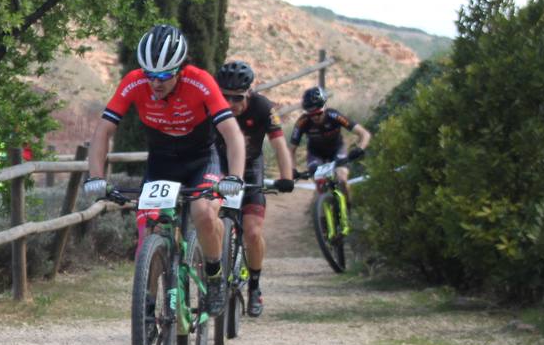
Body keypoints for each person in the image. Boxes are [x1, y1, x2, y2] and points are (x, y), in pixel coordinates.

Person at [82, 24, 245, 314]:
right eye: (150, 75)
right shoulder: (133, 82)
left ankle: (215, 275)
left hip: (201, 158)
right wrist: (95, 177)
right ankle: (147, 305)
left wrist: (234, 177)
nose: (155, 83)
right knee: (149, 227)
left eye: (164, 76)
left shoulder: (201, 82)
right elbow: (103, 132)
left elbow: (232, 134)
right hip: (162, 161)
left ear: (180, 69)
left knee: (203, 213)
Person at [213, 61, 296, 317]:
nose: (229, 104)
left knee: (252, 231)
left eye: (236, 98)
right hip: (219, 168)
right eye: (224, 96)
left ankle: (255, 287)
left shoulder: (262, 107)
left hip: (251, 170)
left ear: (249, 92)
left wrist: (286, 177)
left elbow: (279, 144)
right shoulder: (211, 106)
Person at [289, 86, 371, 201]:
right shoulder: (302, 122)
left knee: (342, 178)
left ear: (324, 107)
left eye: (318, 113)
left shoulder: (334, 115)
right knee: (320, 184)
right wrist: (292, 169)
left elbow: (364, 134)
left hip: (337, 149)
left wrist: (359, 149)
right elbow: (291, 150)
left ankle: (347, 208)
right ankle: (321, 213)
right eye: (311, 114)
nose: (315, 117)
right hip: (315, 154)